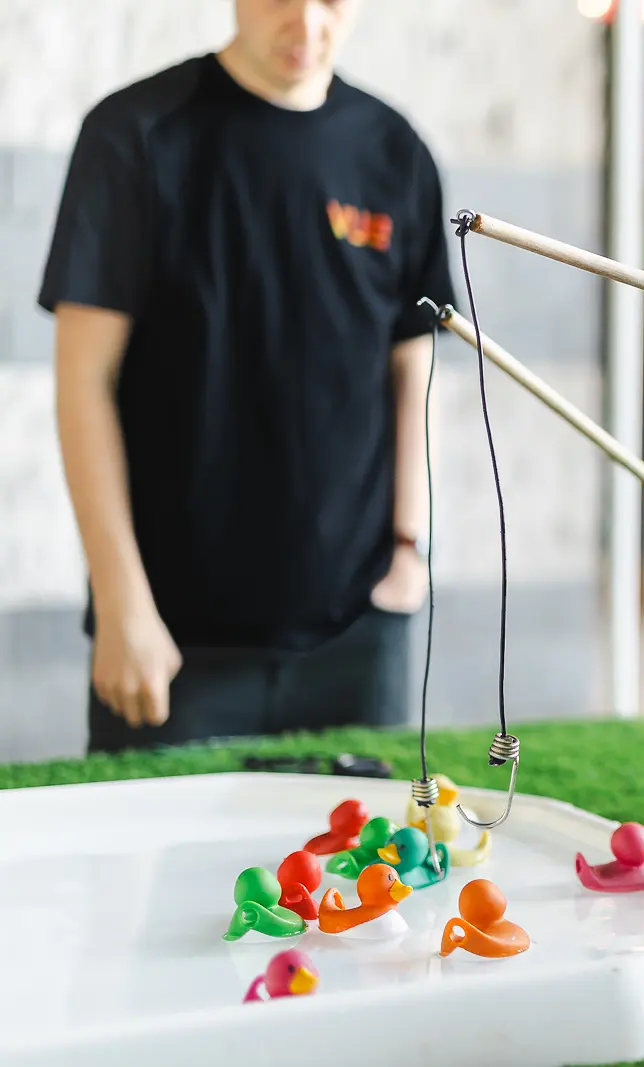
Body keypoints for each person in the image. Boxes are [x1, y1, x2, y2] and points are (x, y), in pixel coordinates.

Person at [38, 0, 455, 753]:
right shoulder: (135, 133)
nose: (304, 20)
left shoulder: (396, 152)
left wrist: (407, 547)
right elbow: (81, 381)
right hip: (172, 635)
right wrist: (122, 597)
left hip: (358, 629)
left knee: (370, 870)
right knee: (156, 868)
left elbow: (411, 362)